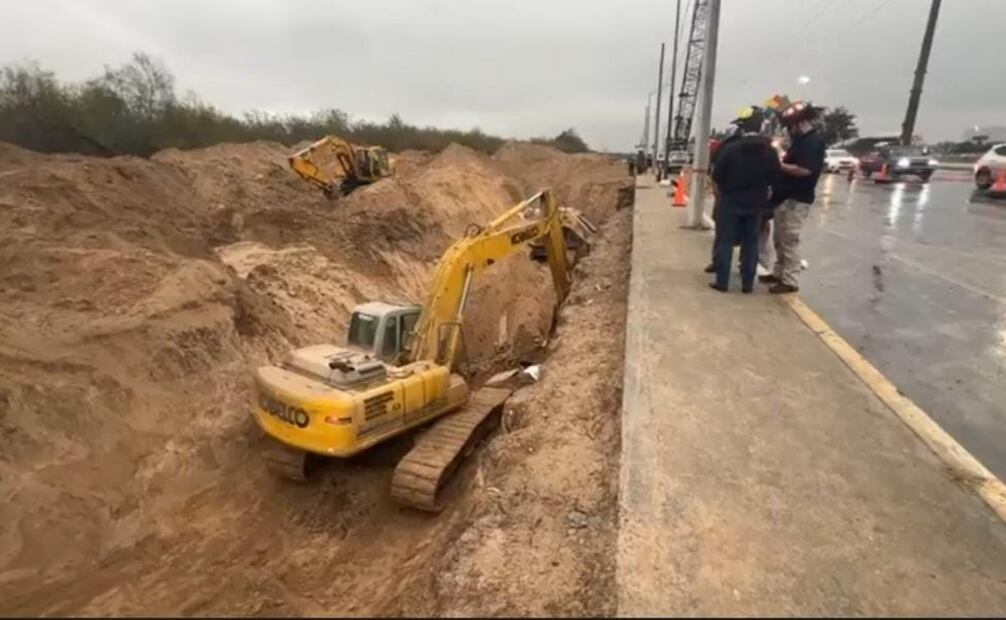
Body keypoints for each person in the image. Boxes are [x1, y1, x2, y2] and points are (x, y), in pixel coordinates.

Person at [709, 107, 781, 294]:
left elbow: (717, 175)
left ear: (743, 127)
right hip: (756, 203)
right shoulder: (769, 151)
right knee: (751, 243)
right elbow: (775, 178)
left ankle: (722, 282)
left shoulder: (731, 148)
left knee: (726, 242)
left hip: (731, 201)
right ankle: (747, 284)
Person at [760, 101, 826, 294]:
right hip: (785, 198)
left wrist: (780, 165)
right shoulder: (801, 142)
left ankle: (790, 279)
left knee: (789, 239)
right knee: (779, 238)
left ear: (800, 124)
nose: (789, 131)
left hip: (797, 199)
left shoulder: (813, 143)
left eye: (790, 127)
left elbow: (804, 170)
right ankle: (779, 272)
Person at [704, 108, 756, 274]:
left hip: (732, 197)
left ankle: (724, 268)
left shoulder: (730, 146)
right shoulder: (763, 146)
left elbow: (716, 173)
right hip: (749, 198)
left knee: (726, 236)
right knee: (747, 238)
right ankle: (744, 271)